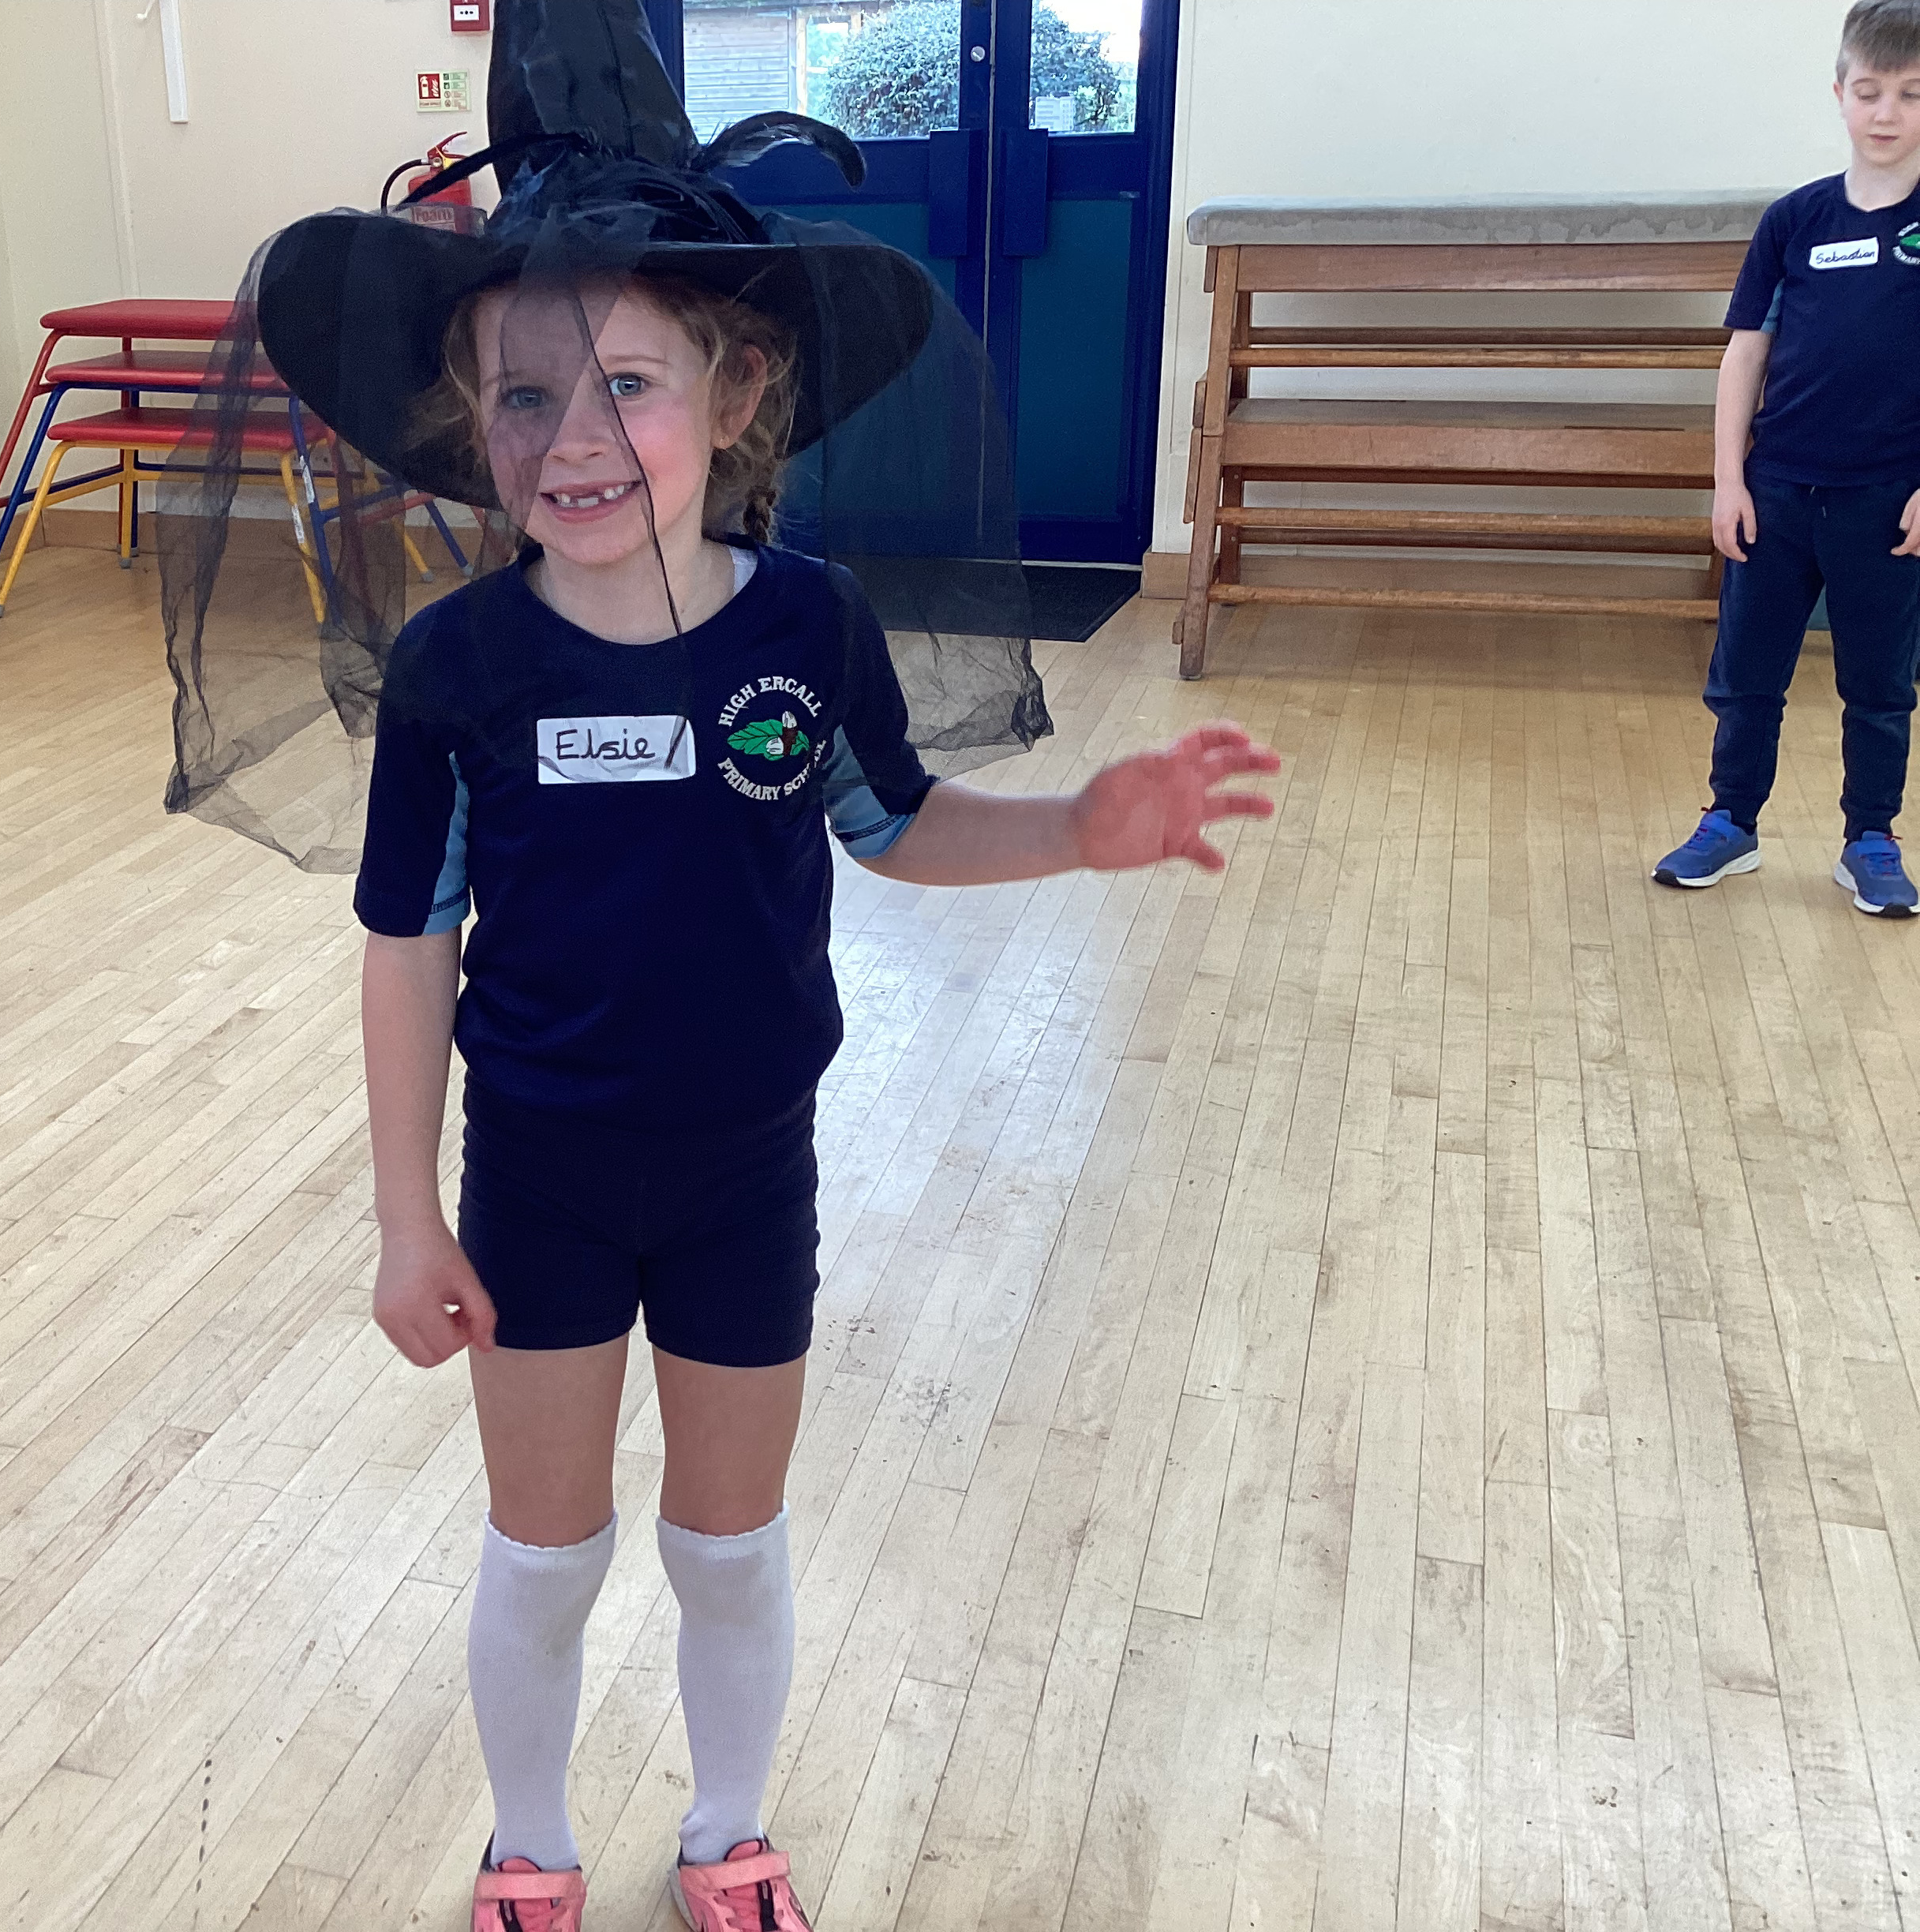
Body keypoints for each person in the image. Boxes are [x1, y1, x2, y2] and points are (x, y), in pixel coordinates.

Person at [191, 9, 1278, 1927]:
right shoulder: (459, 668)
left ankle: (726, 1831)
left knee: (726, 1537)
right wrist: (403, 1214)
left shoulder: (807, 627)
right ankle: (531, 1847)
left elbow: (891, 822)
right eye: (525, 396)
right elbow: (408, 941)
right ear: (467, 416)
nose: (575, 440)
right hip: (536, 1176)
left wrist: (1078, 829)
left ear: (740, 385)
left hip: (743, 1172)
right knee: (543, 1550)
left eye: (628, 383)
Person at [1653, 0, 1920, 916]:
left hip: (1886, 502)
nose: (1887, 112)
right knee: (1748, 675)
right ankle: (1731, 821)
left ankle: (1871, 838)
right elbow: (1745, 356)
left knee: (1879, 683)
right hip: (1776, 494)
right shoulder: (1794, 220)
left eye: (1912, 94)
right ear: (1839, 94)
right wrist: (1729, 480)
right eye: (1870, 91)